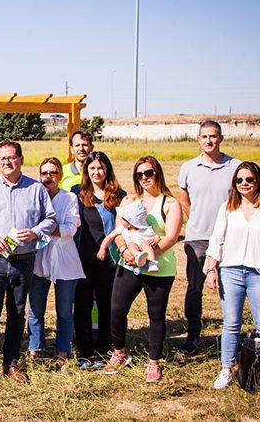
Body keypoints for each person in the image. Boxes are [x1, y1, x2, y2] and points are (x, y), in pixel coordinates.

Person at [0, 141, 57, 385]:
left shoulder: (36, 189)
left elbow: (50, 219)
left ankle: (12, 363)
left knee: (17, 313)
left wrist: (36, 232)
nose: (7, 162)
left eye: (12, 157)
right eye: (3, 158)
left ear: (21, 159)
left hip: (23, 261)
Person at [204, 161, 260, 391]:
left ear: (258, 181)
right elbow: (216, 241)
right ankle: (226, 369)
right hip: (231, 272)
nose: (244, 184)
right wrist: (212, 270)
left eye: (249, 179)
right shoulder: (227, 208)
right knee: (231, 324)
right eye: (239, 180)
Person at [105, 156, 182, 383]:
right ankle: (119, 352)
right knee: (116, 309)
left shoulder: (170, 203)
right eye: (140, 174)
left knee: (155, 314)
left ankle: (154, 361)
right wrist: (125, 251)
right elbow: (119, 231)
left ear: (157, 173)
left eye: (149, 173)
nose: (145, 178)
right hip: (128, 262)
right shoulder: (129, 200)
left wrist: (146, 256)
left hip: (159, 267)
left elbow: (171, 237)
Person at [177, 121, 241, 355]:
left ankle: (231, 336)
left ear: (221, 139)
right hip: (197, 237)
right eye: (204, 136)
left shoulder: (235, 166)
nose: (208, 141)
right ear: (198, 139)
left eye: (213, 136)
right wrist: (194, 217)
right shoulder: (188, 167)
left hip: (229, 238)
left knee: (230, 287)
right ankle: (193, 335)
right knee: (195, 288)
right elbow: (184, 197)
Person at [71, 151, 126, 369]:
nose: (97, 172)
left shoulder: (118, 195)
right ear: (86, 171)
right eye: (92, 168)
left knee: (107, 305)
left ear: (107, 170)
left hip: (109, 260)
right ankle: (85, 351)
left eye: (101, 168)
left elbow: (125, 225)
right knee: (82, 305)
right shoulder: (76, 193)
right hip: (82, 259)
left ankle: (104, 350)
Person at [27, 157, 84, 364]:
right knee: (35, 308)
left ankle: (63, 349)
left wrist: (46, 228)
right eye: (44, 173)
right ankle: (35, 348)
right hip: (39, 257)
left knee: (64, 309)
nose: (48, 177)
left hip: (65, 258)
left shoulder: (69, 198)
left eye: (53, 173)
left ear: (60, 176)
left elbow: (71, 228)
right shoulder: (33, 196)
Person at [97, 201, 160, 271]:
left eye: (123, 219)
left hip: (143, 247)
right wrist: (102, 248)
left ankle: (152, 263)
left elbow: (157, 237)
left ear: (130, 223)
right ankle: (138, 255)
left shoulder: (144, 229)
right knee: (131, 245)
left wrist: (155, 241)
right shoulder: (122, 228)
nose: (121, 220)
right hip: (132, 252)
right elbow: (109, 237)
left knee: (146, 246)